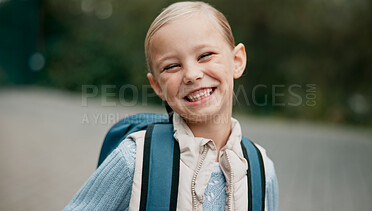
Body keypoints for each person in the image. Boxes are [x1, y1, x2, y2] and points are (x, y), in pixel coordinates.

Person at [64, 1, 278, 210]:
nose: (192, 75)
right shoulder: (135, 160)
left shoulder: (262, 169)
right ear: (157, 85)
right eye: (172, 66)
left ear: (237, 60)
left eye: (205, 55)